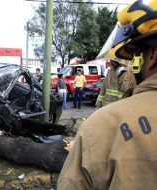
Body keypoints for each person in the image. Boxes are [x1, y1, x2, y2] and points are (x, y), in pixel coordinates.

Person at [58, 0, 157, 189]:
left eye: (136, 54)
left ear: (152, 56)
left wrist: (104, 117)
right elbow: (103, 91)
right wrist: (99, 107)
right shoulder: (111, 75)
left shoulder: (99, 130)